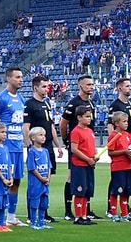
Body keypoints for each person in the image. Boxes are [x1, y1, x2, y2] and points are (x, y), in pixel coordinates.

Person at [0, 67, 29, 226]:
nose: (21, 79)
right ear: (8, 79)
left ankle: (11, 216)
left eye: (22, 77)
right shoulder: (2, 99)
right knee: (0, 183)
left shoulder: (22, 99)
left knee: (16, 181)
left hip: (18, 147)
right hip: (6, 148)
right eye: (17, 77)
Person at [24, 75, 64, 222]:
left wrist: (58, 145)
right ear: (35, 88)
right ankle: (31, 214)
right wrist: (30, 145)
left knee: (46, 179)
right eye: (44, 86)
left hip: (47, 147)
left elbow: (51, 126)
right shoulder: (30, 104)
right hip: (37, 146)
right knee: (35, 181)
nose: (47, 89)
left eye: (47, 86)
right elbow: (26, 127)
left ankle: (43, 213)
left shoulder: (47, 104)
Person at [60, 75, 96, 221]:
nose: (91, 87)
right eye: (88, 84)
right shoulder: (74, 103)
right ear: (81, 86)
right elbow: (63, 123)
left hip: (88, 144)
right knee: (72, 177)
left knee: (87, 179)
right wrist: (66, 141)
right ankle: (69, 211)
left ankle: (86, 210)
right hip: (77, 145)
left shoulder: (91, 103)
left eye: (92, 84)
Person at [69, 105, 98, 224]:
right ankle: (78, 216)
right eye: (86, 117)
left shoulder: (90, 131)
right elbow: (74, 149)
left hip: (89, 165)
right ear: (79, 117)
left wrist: (95, 156)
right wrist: (87, 159)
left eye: (89, 116)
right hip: (80, 165)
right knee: (80, 191)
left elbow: (92, 147)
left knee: (87, 190)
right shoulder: (76, 131)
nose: (89, 119)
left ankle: (85, 215)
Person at [106, 110, 131, 222]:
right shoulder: (113, 136)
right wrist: (124, 152)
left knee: (126, 191)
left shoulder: (127, 135)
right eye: (124, 121)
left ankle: (125, 214)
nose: (126, 123)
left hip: (129, 166)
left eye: (127, 121)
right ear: (117, 123)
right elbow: (110, 152)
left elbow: (130, 149)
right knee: (116, 191)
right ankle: (114, 214)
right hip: (118, 167)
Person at [25, 127, 53, 229]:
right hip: (36, 183)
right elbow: (32, 168)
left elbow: (49, 166)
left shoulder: (45, 151)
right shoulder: (32, 152)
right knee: (34, 202)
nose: (43, 137)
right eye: (40, 135)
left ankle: (42, 221)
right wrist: (41, 178)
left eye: (44, 135)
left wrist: (48, 178)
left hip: (45, 182)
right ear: (33, 138)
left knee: (44, 203)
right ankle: (34, 221)